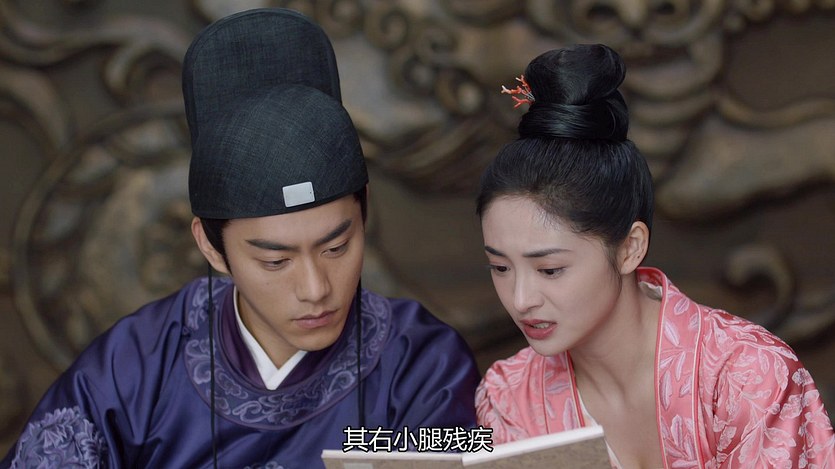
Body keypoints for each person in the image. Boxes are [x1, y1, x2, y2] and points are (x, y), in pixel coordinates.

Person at [2, 8, 480, 469]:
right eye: (275, 261)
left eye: (336, 247)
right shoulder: (137, 363)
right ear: (211, 247)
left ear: (365, 213)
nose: (315, 288)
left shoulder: (422, 364)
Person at [474, 44, 835, 468]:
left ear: (630, 248)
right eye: (500, 267)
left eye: (550, 269)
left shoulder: (743, 375)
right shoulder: (510, 396)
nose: (520, 299)